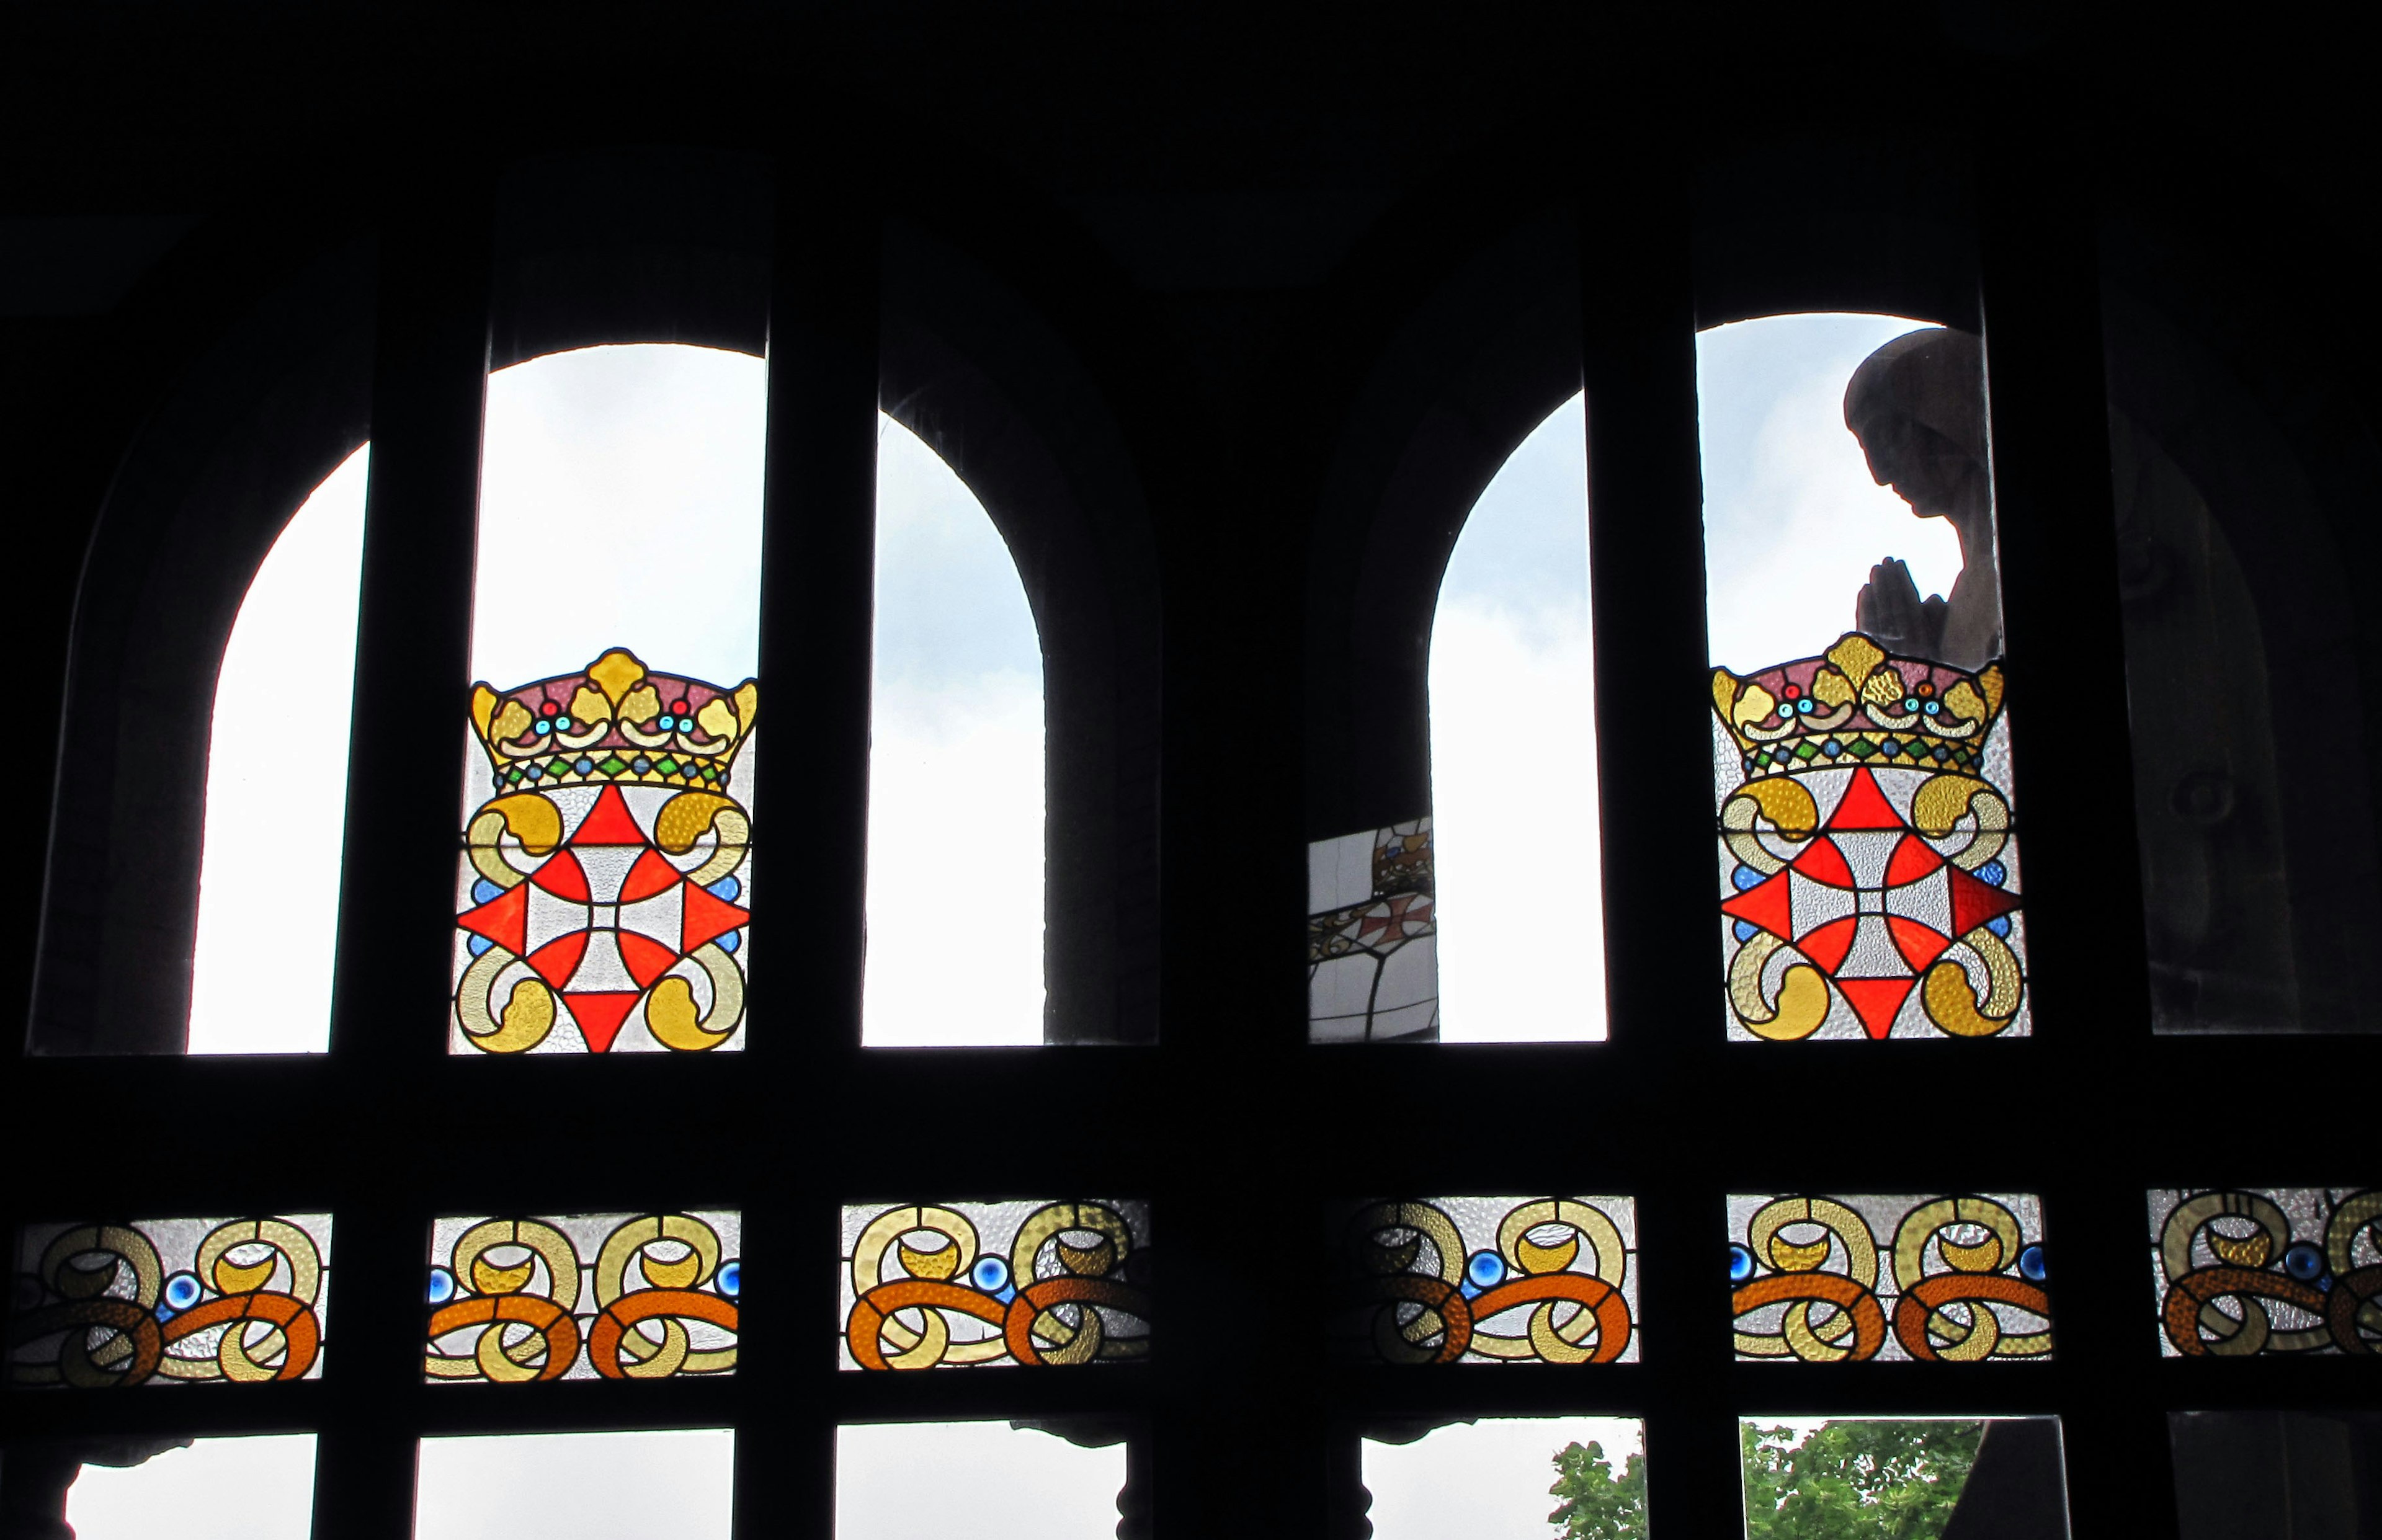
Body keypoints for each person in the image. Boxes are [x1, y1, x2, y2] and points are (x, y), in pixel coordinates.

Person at [1843, 327, 2002, 669]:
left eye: (1887, 437)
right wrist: (1924, 666)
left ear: (1949, 413)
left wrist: (1922, 673)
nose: (1880, 474)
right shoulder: (1965, 601)